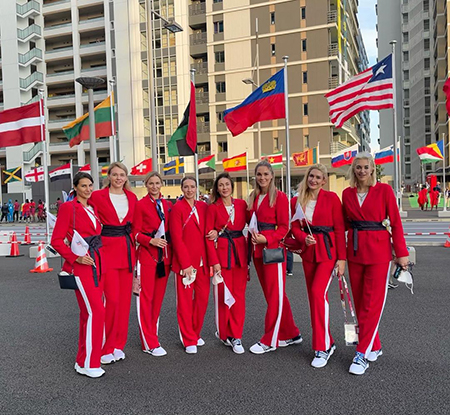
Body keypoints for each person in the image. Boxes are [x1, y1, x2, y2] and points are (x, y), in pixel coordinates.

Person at [342, 152, 408, 375]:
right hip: (355, 252)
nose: (362, 171)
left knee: (373, 304)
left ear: (372, 169)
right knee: (360, 303)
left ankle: (361, 354)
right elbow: (342, 224)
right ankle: (374, 345)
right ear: (354, 170)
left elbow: (396, 223)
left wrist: (402, 253)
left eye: (365, 167)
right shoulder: (346, 193)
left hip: (379, 253)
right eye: (358, 167)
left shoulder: (384, 191)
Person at [290, 164, 346, 368]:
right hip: (309, 252)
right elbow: (294, 228)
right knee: (314, 299)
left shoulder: (331, 199)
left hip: (328, 252)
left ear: (324, 181)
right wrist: (304, 237)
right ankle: (327, 342)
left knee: (317, 293)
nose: (313, 180)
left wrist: (342, 259)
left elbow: (339, 229)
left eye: (318, 177)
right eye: (311, 176)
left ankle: (321, 347)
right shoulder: (296, 201)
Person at [51, 172, 105, 378]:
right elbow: (56, 240)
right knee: (96, 312)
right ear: (75, 188)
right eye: (84, 186)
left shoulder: (93, 208)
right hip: (81, 266)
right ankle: (91, 363)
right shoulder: (68, 208)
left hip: (97, 264)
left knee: (88, 314)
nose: (88, 189)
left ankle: (83, 360)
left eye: (90, 185)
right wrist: (75, 258)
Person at [247, 160, 301, 355]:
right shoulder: (253, 197)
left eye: (266, 174)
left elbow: (285, 228)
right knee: (274, 295)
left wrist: (267, 238)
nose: (262, 178)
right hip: (257, 251)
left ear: (272, 176)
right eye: (259, 174)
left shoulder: (279, 197)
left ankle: (270, 339)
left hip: (272, 251)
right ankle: (292, 333)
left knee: (275, 296)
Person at [89, 162, 138, 365]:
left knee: (124, 303)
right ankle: (106, 346)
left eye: (122, 175)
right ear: (108, 176)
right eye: (115, 174)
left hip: (127, 251)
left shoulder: (132, 197)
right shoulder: (97, 196)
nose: (119, 178)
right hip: (106, 251)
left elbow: (136, 225)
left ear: (126, 178)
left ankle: (118, 344)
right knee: (111, 301)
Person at [169, 176, 213, 354]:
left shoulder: (203, 207)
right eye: (186, 187)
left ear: (197, 188)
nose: (189, 190)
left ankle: (195, 333)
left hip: (203, 262)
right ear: (181, 189)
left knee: (202, 300)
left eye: (192, 187)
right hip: (185, 264)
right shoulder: (177, 208)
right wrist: (185, 264)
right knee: (185, 303)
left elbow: (210, 228)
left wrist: (215, 232)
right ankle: (188, 338)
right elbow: (177, 239)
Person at [206, 172, 248, 354]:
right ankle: (225, 332)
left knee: (239, 296)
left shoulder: (242, 204)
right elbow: (208, 236)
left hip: (240, 253)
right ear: (217, 188)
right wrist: (214, 261)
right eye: (221, 185)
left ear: (232, 186)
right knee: (223, 295)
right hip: (222, 255)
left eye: (227, 184)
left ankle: (236, 335)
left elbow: (252, 223)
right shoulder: (213, 208)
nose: (224, 188)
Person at [132, 171, 172, 357]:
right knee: (145, 299)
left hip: (165, 258)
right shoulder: (140, 205)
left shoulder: (168, 205)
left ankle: (152, 335)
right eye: (151, 183)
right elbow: (135, 233)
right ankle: (148, 342)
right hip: (147, 256)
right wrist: (151, 241)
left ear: (161, 184)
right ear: (146, 185)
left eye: (157, 183)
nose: (154, 186)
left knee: (157, 300)